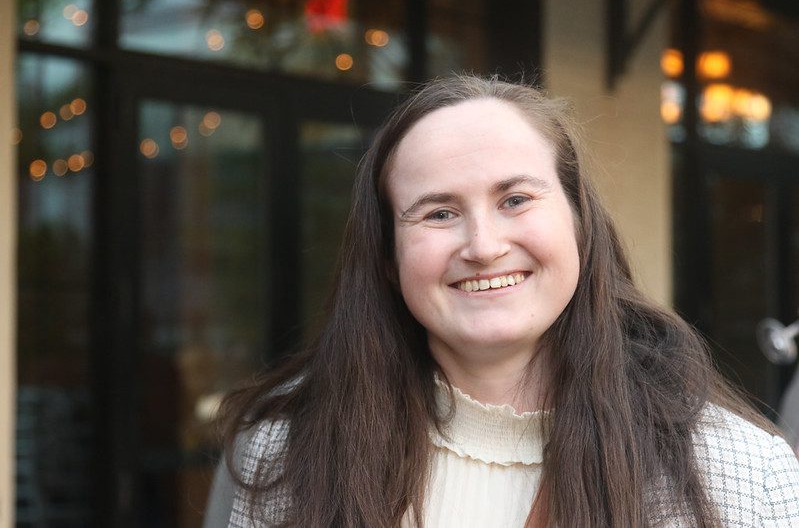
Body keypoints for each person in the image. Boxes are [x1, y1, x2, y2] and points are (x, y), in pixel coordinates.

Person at [209, 75, 799, 527]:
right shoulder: (289, 454)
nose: (484, 246)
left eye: (515, 200)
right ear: (387, 256)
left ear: (580, 223)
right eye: (439, 213)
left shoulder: (740, 476)